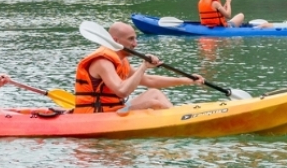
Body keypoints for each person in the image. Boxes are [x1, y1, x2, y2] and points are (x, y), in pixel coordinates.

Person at [74, 22, 204, 114]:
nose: (135, 44)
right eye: (131, 39)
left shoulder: (122, 61)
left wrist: (186, 80)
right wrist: (143, 67)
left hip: (115, 109)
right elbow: (122, 91)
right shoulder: (102, 62)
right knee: (153, 103)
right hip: (97, 114)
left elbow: (149, 80)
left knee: (154, 92)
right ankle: (177, 119)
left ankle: (175, 117)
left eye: (135, 38)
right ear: (116, 40)